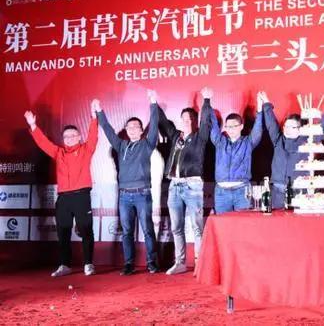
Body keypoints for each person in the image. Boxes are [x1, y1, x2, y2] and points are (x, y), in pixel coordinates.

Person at [24, 104, 98, 277]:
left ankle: (88, 263)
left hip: (81, 196)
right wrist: (33, 126)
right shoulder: (58, 152)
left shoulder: (86, 149)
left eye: (73, 135)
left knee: (86, 229)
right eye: (66, 136)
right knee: (63, 231)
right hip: (63, 198)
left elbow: (93, 136)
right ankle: (65, 264)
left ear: (79, 137)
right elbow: (43, 143)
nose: (69, 138)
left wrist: (94, 118)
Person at [94, 90, 159, 275]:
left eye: (136, 126)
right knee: (127, 231)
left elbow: (154, 124)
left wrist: (153, 102)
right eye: (129, 127)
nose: (132, 129)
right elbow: (107, 130)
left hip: (142, 194)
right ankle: (129, 264)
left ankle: (152, 262)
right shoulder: (121, 145)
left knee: (148, 230)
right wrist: (99, 111)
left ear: (141, 130)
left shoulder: (147, 144)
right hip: (124, 196)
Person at [158, 88, 213, 275]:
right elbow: (163, 122)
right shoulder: (176, 137)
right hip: (174, 185)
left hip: (192, 185)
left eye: (190, 119)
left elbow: (206, 122)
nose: (186, 122)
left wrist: (206, 100)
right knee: (176, 227)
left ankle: (200, 264)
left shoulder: (200, 138)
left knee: (197, 227)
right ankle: (180, 262)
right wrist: (154, 103)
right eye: (184, 119)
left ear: (194, 121)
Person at [260, 91, 324, 208]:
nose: (287, 129)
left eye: (292, 127)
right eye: (286, 126)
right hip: (277, 192)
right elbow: (271, 123)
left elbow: (321, 128)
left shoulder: (307, 141)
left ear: (300, 128)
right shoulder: (278, 139)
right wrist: (266, 102)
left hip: (299, 192)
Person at [210, 93, 264, 214]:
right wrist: (208, 101)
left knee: (243, 223)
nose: (230, 129)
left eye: (234, 126)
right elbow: (213, 125)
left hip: (242, 191)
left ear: (241, 126)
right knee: (222, 224)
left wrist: (260, 109)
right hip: (221, 192)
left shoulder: (248, 142)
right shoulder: (220, 141)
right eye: (228, 127)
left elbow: (258, 129)